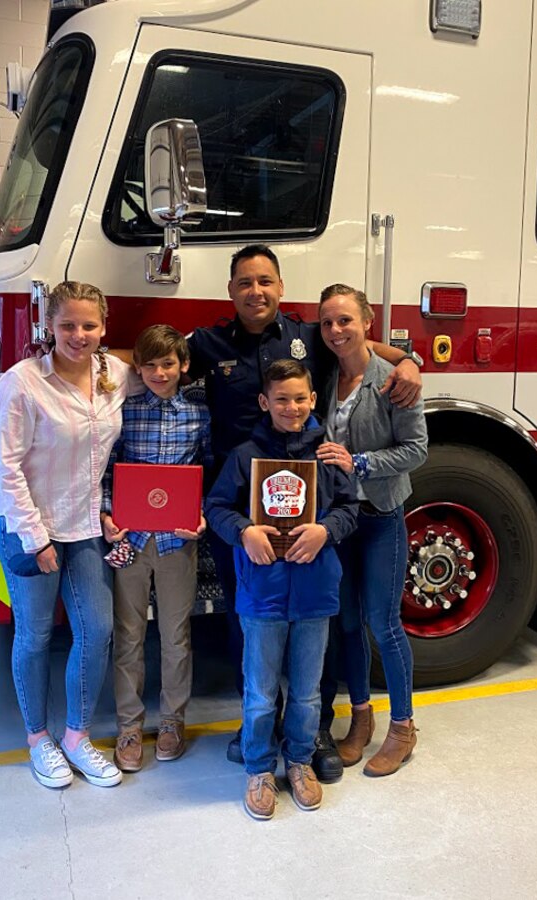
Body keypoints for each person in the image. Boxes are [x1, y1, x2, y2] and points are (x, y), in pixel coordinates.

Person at [187, 244, 423, 779]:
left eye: (266, 280)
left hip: (313, 513)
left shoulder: (307, 334)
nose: (256, 291)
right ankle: (259, 728)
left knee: (324, 618)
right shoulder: (208, 343)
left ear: (280, 286)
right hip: (242, 515)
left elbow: (354, 339)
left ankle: (314, 729)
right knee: (246, 620)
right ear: (231, 291)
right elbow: (156, 360)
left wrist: (406, 359)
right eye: (245, 282)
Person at [0, 281, 135, 789]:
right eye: (68, 325)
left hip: (86, 524)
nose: (78, 334)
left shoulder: (117, 374)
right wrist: (36, 538)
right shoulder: (22, 382)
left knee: (96, 631)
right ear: (49, 326)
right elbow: (3, 469)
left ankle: (76, 737)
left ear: (103, 327)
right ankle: (37, 739)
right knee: (35, 635)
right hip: (28, 525)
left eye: (89, 325)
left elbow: (166, 370)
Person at [205, 360, 358, 819]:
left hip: (314, 593)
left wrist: (326, 531)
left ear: (313, 400)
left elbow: (350, 509)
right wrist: (244, 531)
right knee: (260, 692)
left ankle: (298, 761)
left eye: (300, 398)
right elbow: (215, 507)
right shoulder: (245, 456)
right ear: (264, 402)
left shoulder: (328, 456)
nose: (291, 407)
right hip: (262, 594)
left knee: (309, 691)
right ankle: (257, 766)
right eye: (281, 399)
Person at [316, 284, 428, 776]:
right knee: (346, 622)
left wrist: (357, 462)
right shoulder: (323, 377)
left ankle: (402, 728)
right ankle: (360, 719)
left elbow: (417, 450)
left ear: (368, 322)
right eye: (327, 323)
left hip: (382, 516)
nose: (336, 331)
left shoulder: (393, 381)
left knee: (383, 623)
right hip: (340, 521)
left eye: (345, 320)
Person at [100, 325, 210, 772]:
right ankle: (129, 726)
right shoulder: (125, 410)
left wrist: (200, 513)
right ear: (137, 369)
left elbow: (207, 466)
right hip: (130, 537)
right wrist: (108, 514)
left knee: (176, 634)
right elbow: (107, 466)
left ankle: (171, 721)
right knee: (127, 634)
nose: (159, 373)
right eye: (149, 365)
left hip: (176, 540)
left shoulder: (200, 414)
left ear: (183, 365)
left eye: (168, 364)